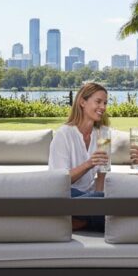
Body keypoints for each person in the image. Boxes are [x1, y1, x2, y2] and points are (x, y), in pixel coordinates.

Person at [48, 81, 111, 230]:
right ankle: (86, 218)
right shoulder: (64, 134)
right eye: (98, 102)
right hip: (66, 194)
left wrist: (99, 201)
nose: (103, 107)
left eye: (105, 103)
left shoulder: (103, 133)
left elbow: (102, 174)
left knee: (104, 199)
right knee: (110, 205)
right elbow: (59, 182)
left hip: (90, 197)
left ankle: (80, 220)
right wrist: (89, 164)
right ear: (82, 102)